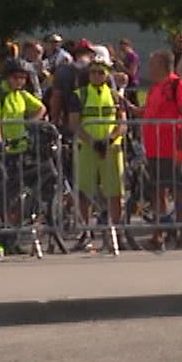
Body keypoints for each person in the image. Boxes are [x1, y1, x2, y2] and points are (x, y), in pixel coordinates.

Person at [0, 59, 48, 257]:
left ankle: (12, 240)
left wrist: (29, 124)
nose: (20, 81)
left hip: (18, 150)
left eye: (23, 78)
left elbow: (41, 108)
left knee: (16, 198)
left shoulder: (22, 95)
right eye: (16, 77)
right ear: (8, 77)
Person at [139, 49, 182, 250]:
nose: (149, 69)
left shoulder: (179, 85)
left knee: (179, 191)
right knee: (157, 192)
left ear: (164, 65)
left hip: (173, 148)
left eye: (153, 64)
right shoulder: (155, 88)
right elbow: (149, 112)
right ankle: (159, 235)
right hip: (154, 149)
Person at [68, 54, 128, 251]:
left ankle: (116, 232)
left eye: (100, 72)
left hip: (112, 148)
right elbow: (74, 123)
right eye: (92, 72)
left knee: (115, 193)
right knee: (85, 191)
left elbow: (123, 122)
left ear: (106, 74)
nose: (96, 75)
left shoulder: (114, 95)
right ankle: (86, 232)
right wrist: (93, 142)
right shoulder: (79, 95)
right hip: (88, 148)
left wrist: (110, 139)